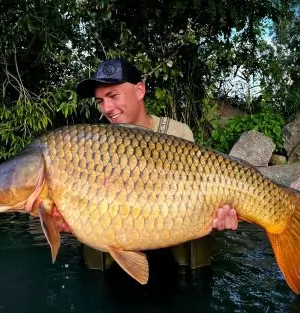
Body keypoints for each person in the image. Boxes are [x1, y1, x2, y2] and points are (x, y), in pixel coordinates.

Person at [75, 58, 238, 275]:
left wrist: (218, 214)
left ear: (140, 90)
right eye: (100, 101)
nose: (107, 108)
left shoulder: (178, 133)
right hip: (120, 243)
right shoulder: (96, 144)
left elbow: (201, 195)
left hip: (174, 243)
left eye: (113, 96)